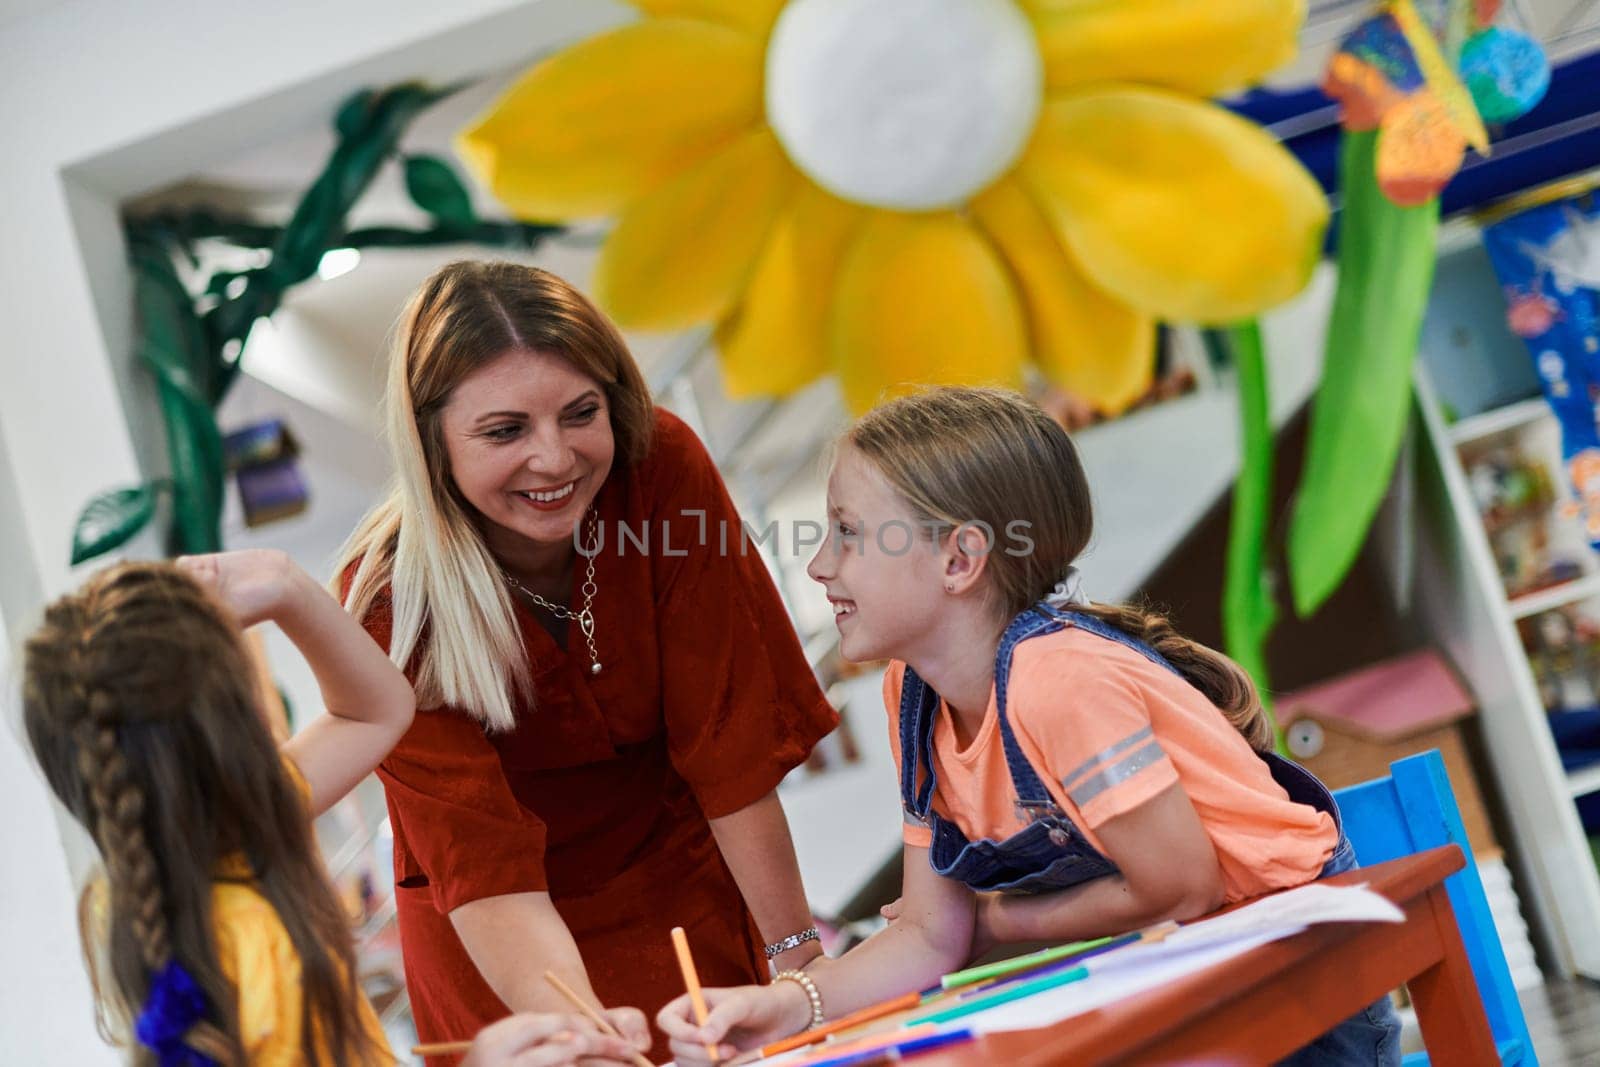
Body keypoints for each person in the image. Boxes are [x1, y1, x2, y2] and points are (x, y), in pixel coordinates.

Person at [657, 387, 1402, 1066]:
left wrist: (999, 919)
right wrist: (786, 1005)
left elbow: (1182, 885)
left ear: (959, 558)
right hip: (1190, 969)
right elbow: (927, 935)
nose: (820, 564)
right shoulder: (910, 693)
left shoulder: (1057, 681)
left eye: (848, 532)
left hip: (1299, 964)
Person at [335, 261, 838, 1063]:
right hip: (498, 942)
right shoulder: (389, 605)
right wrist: (581, 1033)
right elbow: (484, 862)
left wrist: (799, 964)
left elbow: (730, 740)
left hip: (678, 888)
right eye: (505, 432)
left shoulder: (660, 468)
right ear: (433, 444)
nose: (556, 458)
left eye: (581, 413)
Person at [22, 550, 650, 1065]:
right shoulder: (259, 947)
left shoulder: (157, 880)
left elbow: (378, 710)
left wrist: (285, 582)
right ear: (234, 729)